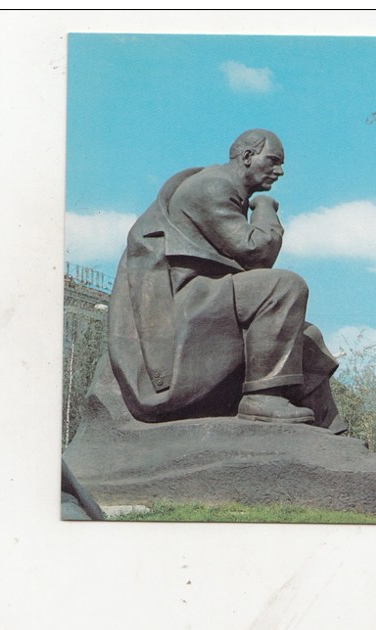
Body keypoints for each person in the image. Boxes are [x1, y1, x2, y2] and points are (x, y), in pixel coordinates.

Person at [104, 129, 345, 430]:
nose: (280, 171)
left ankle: (330, 431)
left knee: (307, 337)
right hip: (181, 303)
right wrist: (265, 209)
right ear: (247, 156)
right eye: (273, 161)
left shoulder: (222, 187)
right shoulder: (213, 187)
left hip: (206, 296)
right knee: (284, 287)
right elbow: (256, 253)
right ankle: (262, 399)